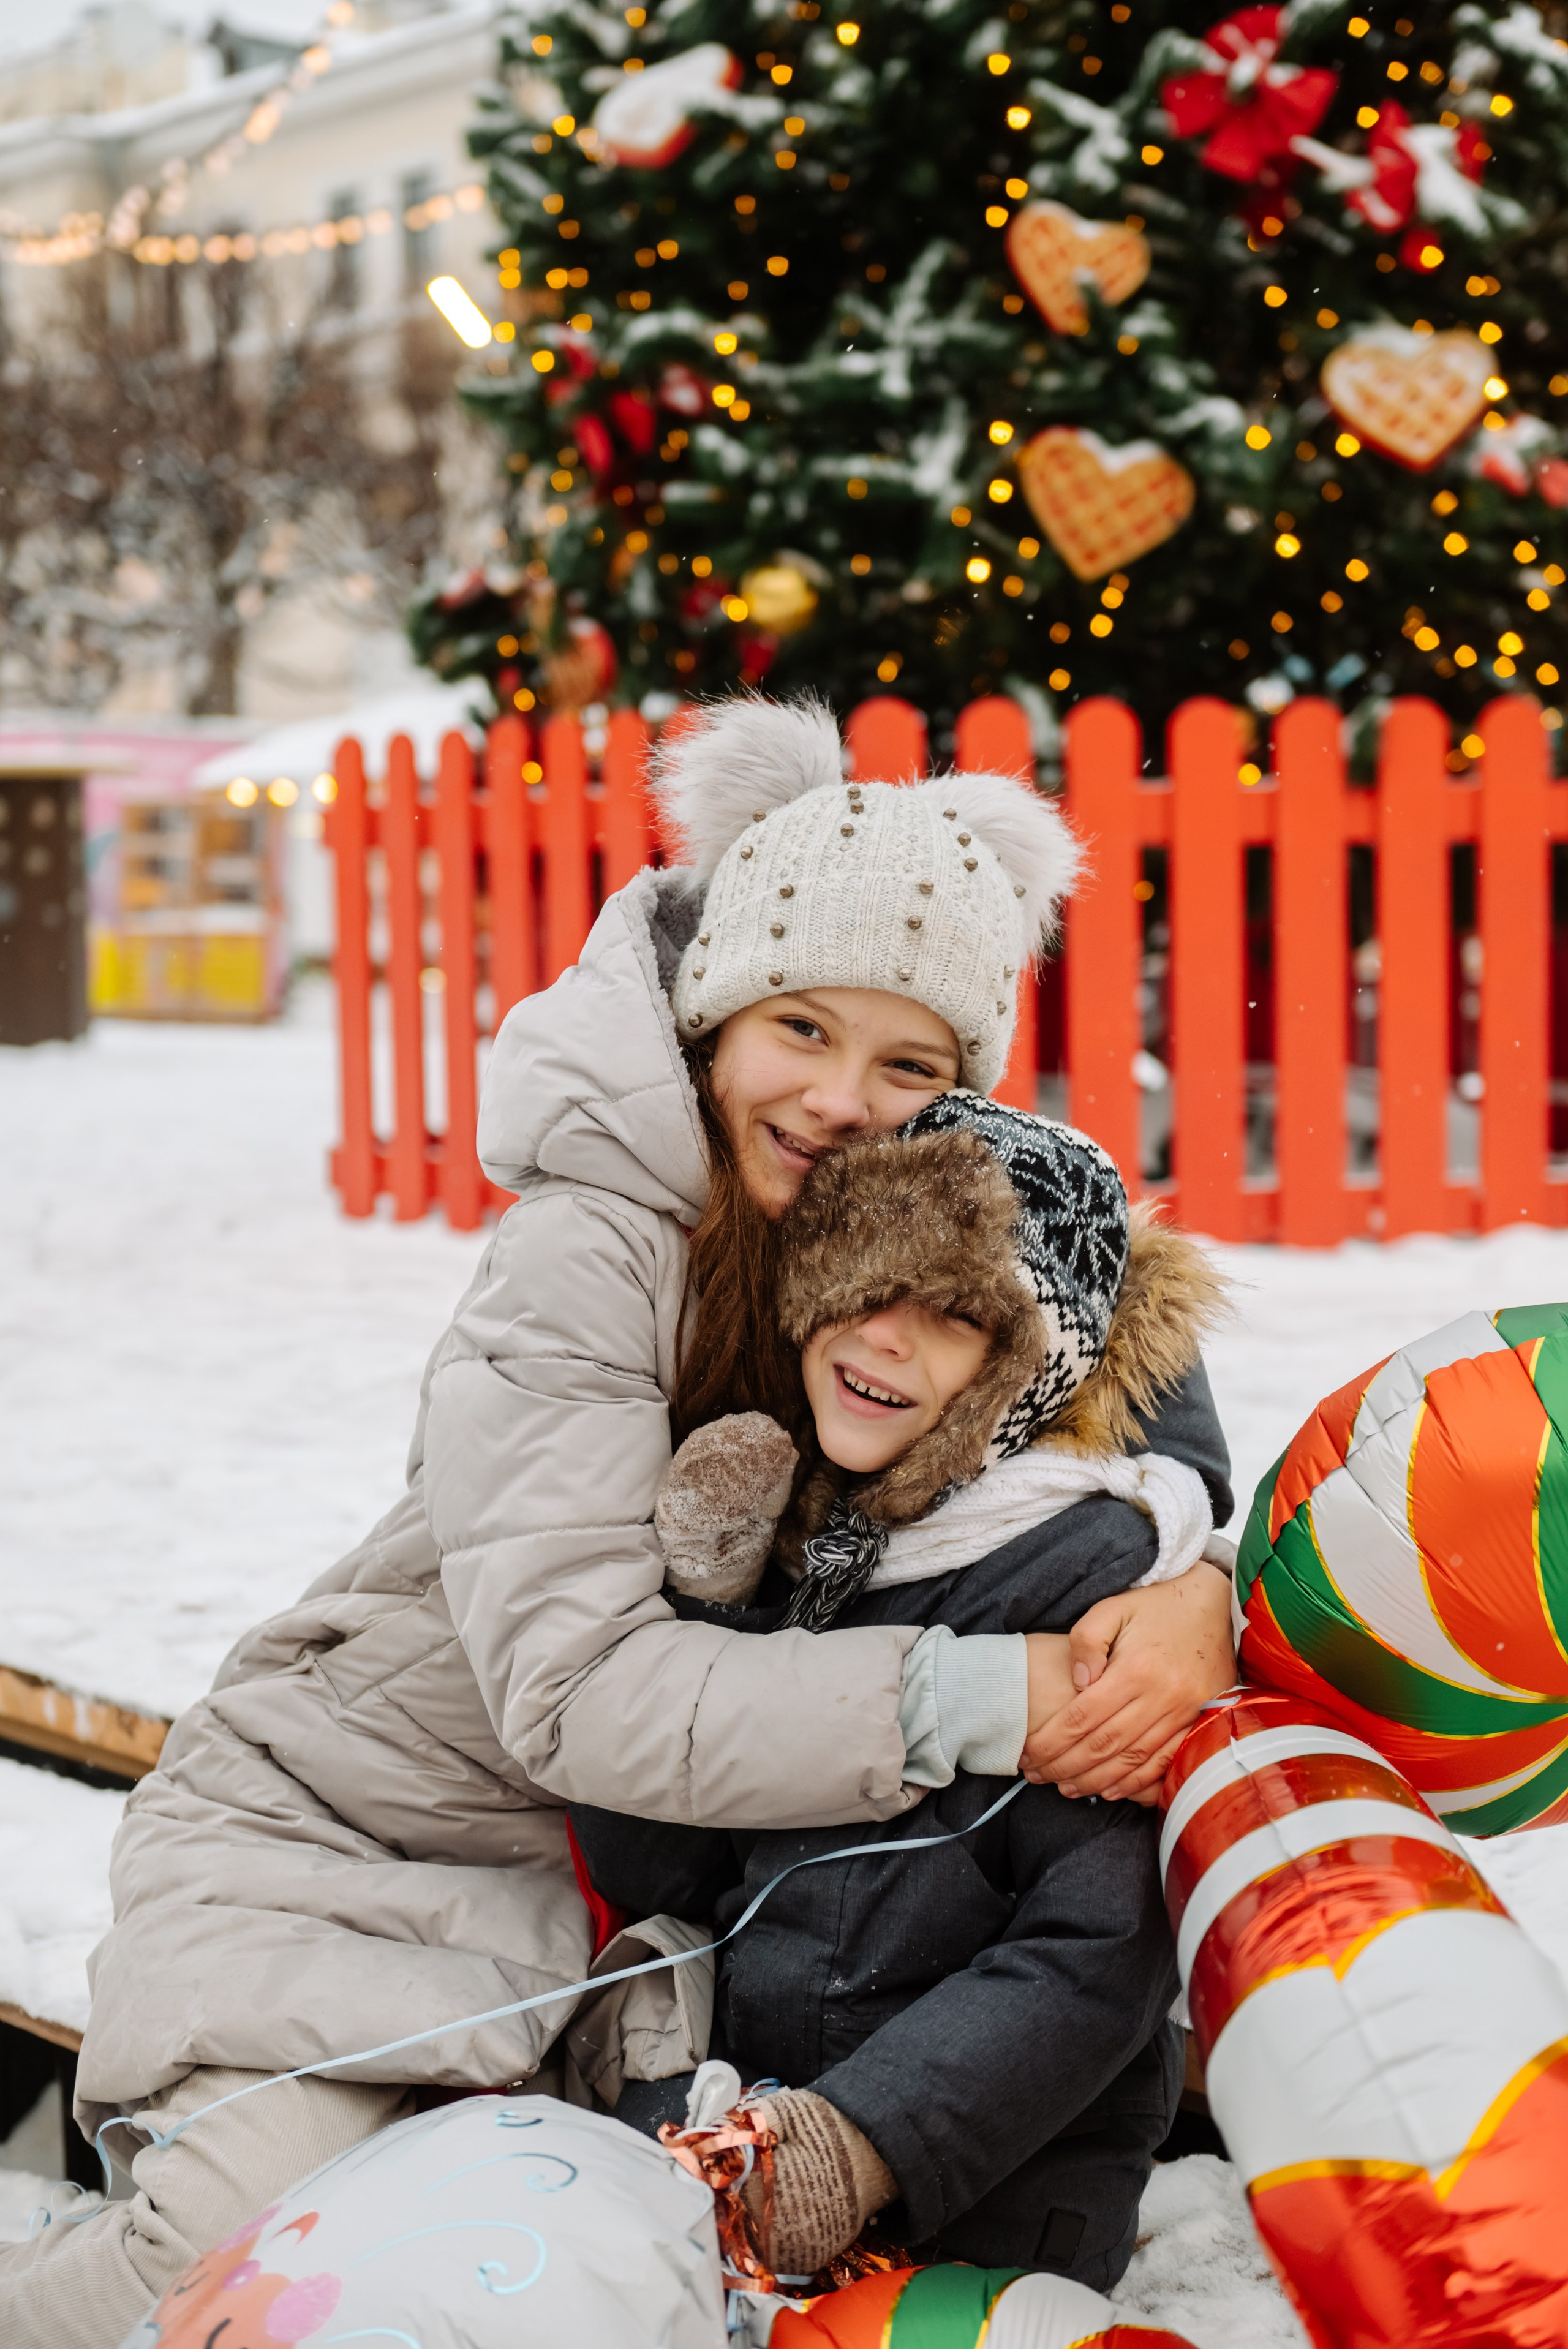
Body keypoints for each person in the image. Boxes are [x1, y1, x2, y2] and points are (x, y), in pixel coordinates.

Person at [0, 699, 1235, 2347]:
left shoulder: (893, 1251)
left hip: (617, 1910)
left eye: (910, 1063)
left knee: (516, 2274)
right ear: (715, 1005)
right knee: (238, 2271)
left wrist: (1195, 1580)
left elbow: (1123, 1369)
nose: (840, 1096)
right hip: (360, 1840)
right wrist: (996, 1693)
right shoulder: (592, 1249)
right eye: (797, 1025)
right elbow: (577, 1696)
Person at [569, 1092, 1227, 2287]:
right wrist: (702, 1602)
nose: (881, 1338)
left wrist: (862, 2145)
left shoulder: (1091, 1594)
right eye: (863, 1284)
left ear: (1029, 1372)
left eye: (949, 1318)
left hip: (986, 2205)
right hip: (760, 2146)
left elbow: (1095, 1951)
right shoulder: (815, 1539)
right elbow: (658, 1870)